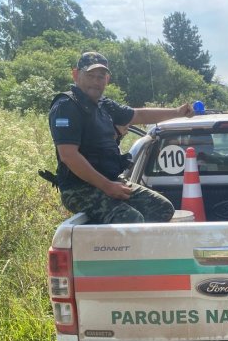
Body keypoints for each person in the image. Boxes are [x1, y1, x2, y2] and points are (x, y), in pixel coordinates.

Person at [48, 51, 195, 224]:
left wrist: (177, 112)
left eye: (101, 77)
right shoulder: (66, 106)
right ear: (75, 74)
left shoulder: (104, 105)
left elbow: (138, 115)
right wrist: (107, 187)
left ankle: (141, 247)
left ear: (107, 80)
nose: (96, 81)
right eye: (90, 75)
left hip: (110, 181)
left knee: (162, 208)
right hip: (79, 189)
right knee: (132, 219)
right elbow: (69, 156)